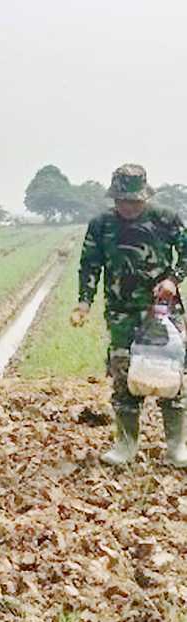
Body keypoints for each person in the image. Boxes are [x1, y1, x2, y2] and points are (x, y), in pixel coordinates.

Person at [71, 164, 187, 467]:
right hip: (121, 313)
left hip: (162, 312)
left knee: (171, 378)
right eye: (122, 201)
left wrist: (173, 279)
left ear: (145, 197)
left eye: (134, 201)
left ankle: (176, 449)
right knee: (124, 378)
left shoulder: (165, 219)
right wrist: (84, 302)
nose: (128, 207)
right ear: (114, 198)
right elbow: (90, 264)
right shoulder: (101, 224)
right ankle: (125, 446)